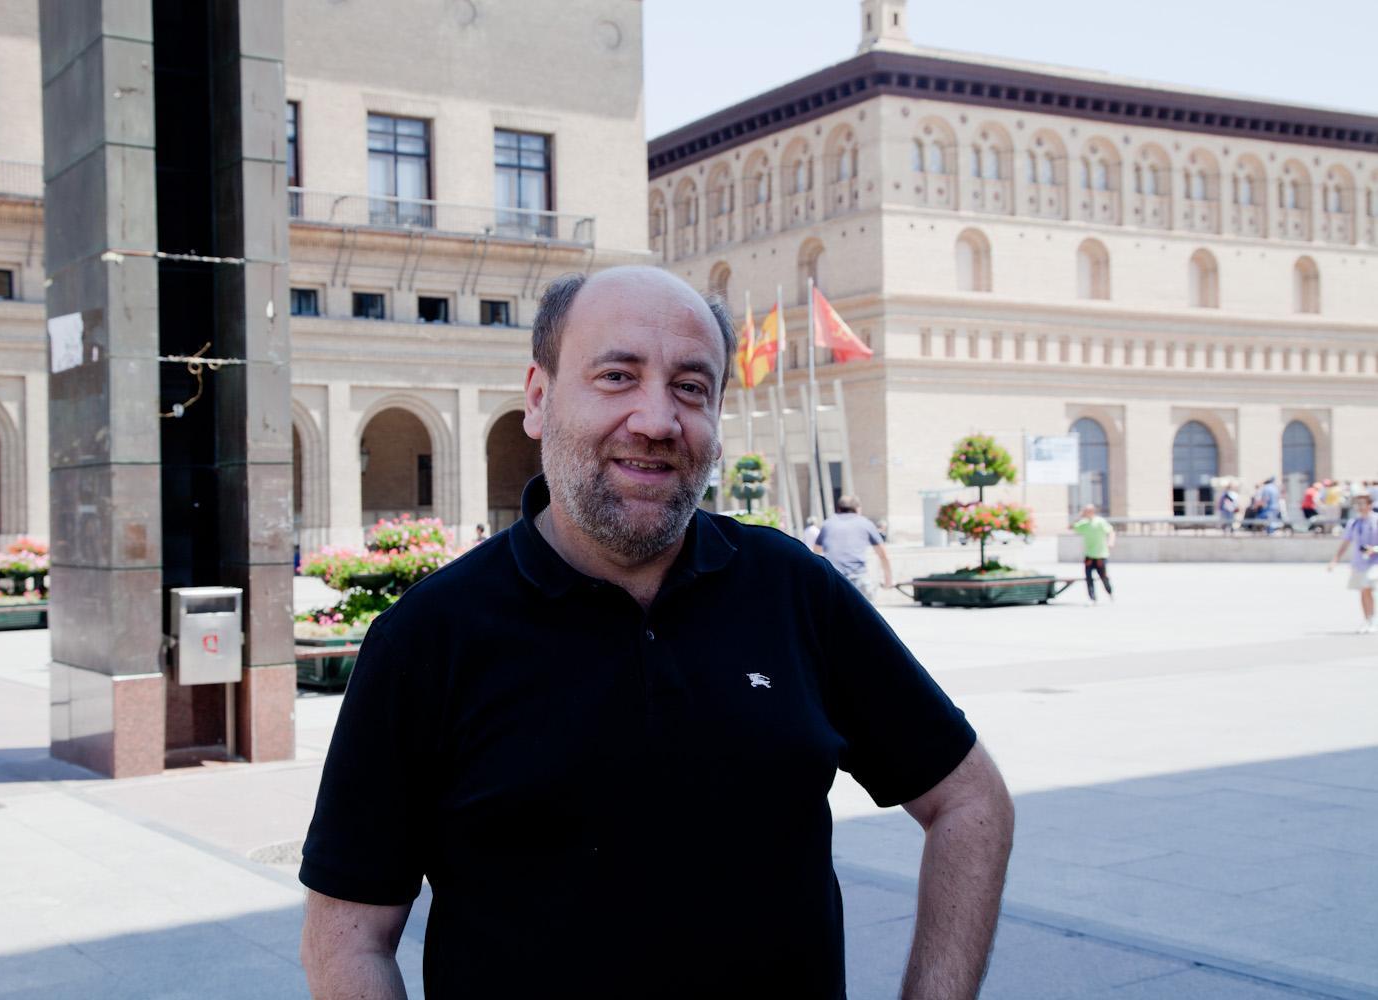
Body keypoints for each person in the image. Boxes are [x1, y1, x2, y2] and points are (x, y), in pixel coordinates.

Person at [299, 267, 1013, 1000]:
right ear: (539, 399)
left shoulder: (795, 590)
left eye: (690, 387)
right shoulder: (428, 638)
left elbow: (970, 800)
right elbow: (348, 935)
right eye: (617, 376)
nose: (657, 420)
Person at [813, 495, 895, 599]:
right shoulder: (865, 523)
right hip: (858, 578)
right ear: (857, 509)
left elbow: (816, 552)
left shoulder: (827, 524)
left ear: (838, 508)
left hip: (833, 578)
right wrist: (888, 580)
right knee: (864, 614)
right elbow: (883, 555)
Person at [1328, 492, 1378, 634]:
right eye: (1358, 504)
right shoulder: (1354, 523)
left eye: (1363, 504)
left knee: (1367, 586)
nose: (1360, 507)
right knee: (1363, 590)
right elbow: (1346, 543)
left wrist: (1374, 549)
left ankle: (1373, 619)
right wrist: (1335, 560)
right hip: (1359, 562)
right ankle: (1367, 619)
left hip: (1375, 562)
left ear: (1370, 505)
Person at [1071, 504, 1115, 603]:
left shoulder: (1100, 522)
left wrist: (1111, 542)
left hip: (1100, 555)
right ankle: (1092, 598)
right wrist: (1079, 517)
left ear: (1092, 511)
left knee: (1103, 577)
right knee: (1089, 578)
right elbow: (1072, 527)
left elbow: (1111, 531)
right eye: (1085, 511)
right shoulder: (1083, 523)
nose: (1086, 512)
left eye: (1087, 511)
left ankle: (1109, 592)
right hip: (1089, 555)